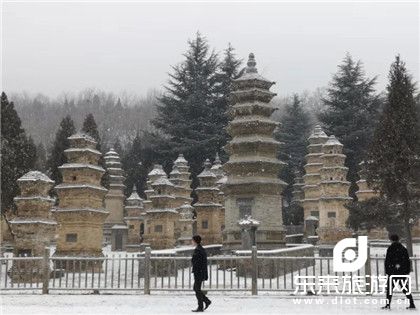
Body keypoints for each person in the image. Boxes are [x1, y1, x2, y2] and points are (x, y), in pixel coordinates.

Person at [382, 234, 416, 310]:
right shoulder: (403, 248)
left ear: (391, 240)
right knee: (405, 288)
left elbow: (387, 261)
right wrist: (406, 271)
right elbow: (407, 261)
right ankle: (412, 303)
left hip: (393, 272)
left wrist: (388, 271)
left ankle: (388, 304)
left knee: (390, 289)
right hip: (402, 272)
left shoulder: (391, 248)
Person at [191, 235, 211, 312]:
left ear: (195, 241)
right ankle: (206, 301)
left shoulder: (199, 250)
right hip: (199, 272)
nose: (191, 242)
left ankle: (201, 306)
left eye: (192, 240)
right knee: (196, 288)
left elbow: (198, 263)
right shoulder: (199, 249)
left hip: (199, 272)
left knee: (197, 289)